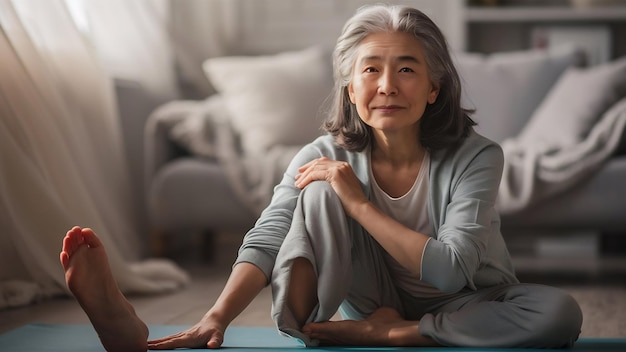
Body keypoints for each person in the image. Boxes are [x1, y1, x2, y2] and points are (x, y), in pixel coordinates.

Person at [60, 4, 583, 351]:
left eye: (406, 69)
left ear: (433, 88)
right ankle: (125, 327)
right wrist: (216, 318)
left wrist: (360, 204)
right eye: (371, 70)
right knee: (319, 188)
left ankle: (395, 334)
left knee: (560, 313)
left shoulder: (477, 157)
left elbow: (448, 273)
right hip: (347, 294)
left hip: (466, 301)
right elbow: (268, 238)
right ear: (352, 89)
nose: (387, 85)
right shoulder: (323, 154)